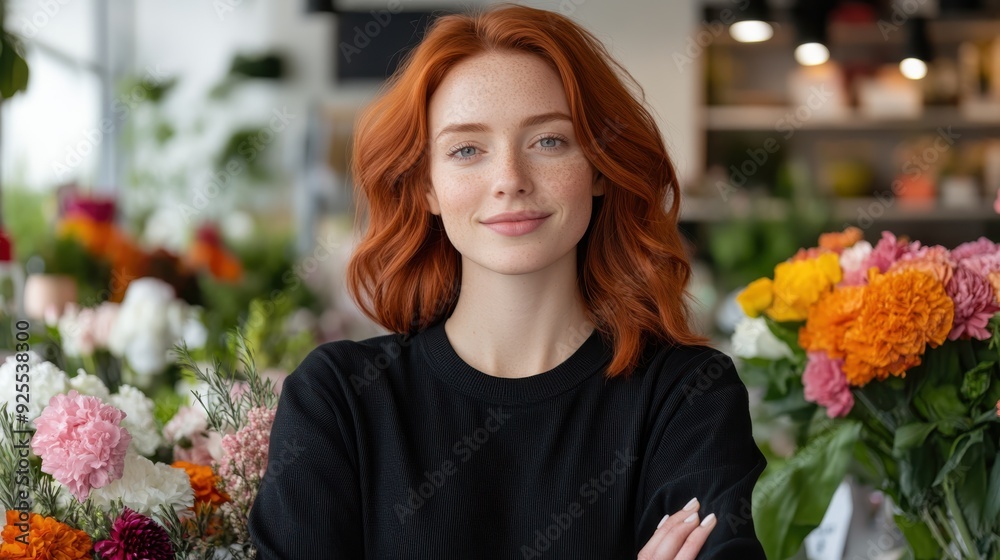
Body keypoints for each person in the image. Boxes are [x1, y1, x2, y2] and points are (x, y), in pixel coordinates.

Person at [248, 4, 767, 559]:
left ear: (597, 166)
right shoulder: (339, 399)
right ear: (426, 187)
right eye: (467, 149)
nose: (509, 181)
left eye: (548, 141)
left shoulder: (686, 397)